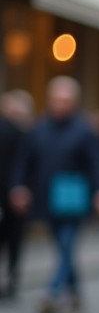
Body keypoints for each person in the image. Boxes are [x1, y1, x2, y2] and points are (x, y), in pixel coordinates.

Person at [10, 77, 99, 313]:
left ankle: (52, 292)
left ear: (74, 102)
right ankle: (75, 291)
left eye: (65, 100)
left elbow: (97, 163)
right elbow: (24, 161)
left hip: (73, 198)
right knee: (63, 246)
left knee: (67, 243)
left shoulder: (84, 130)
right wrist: (19, 186)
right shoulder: (38, 129)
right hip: (47, 198)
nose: (61, 104)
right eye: (57, 100)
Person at [0, 90, 33, 298]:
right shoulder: (24, 134)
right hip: (18, 198)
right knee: (15, 242)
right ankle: (11, 279)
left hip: (9, 198)